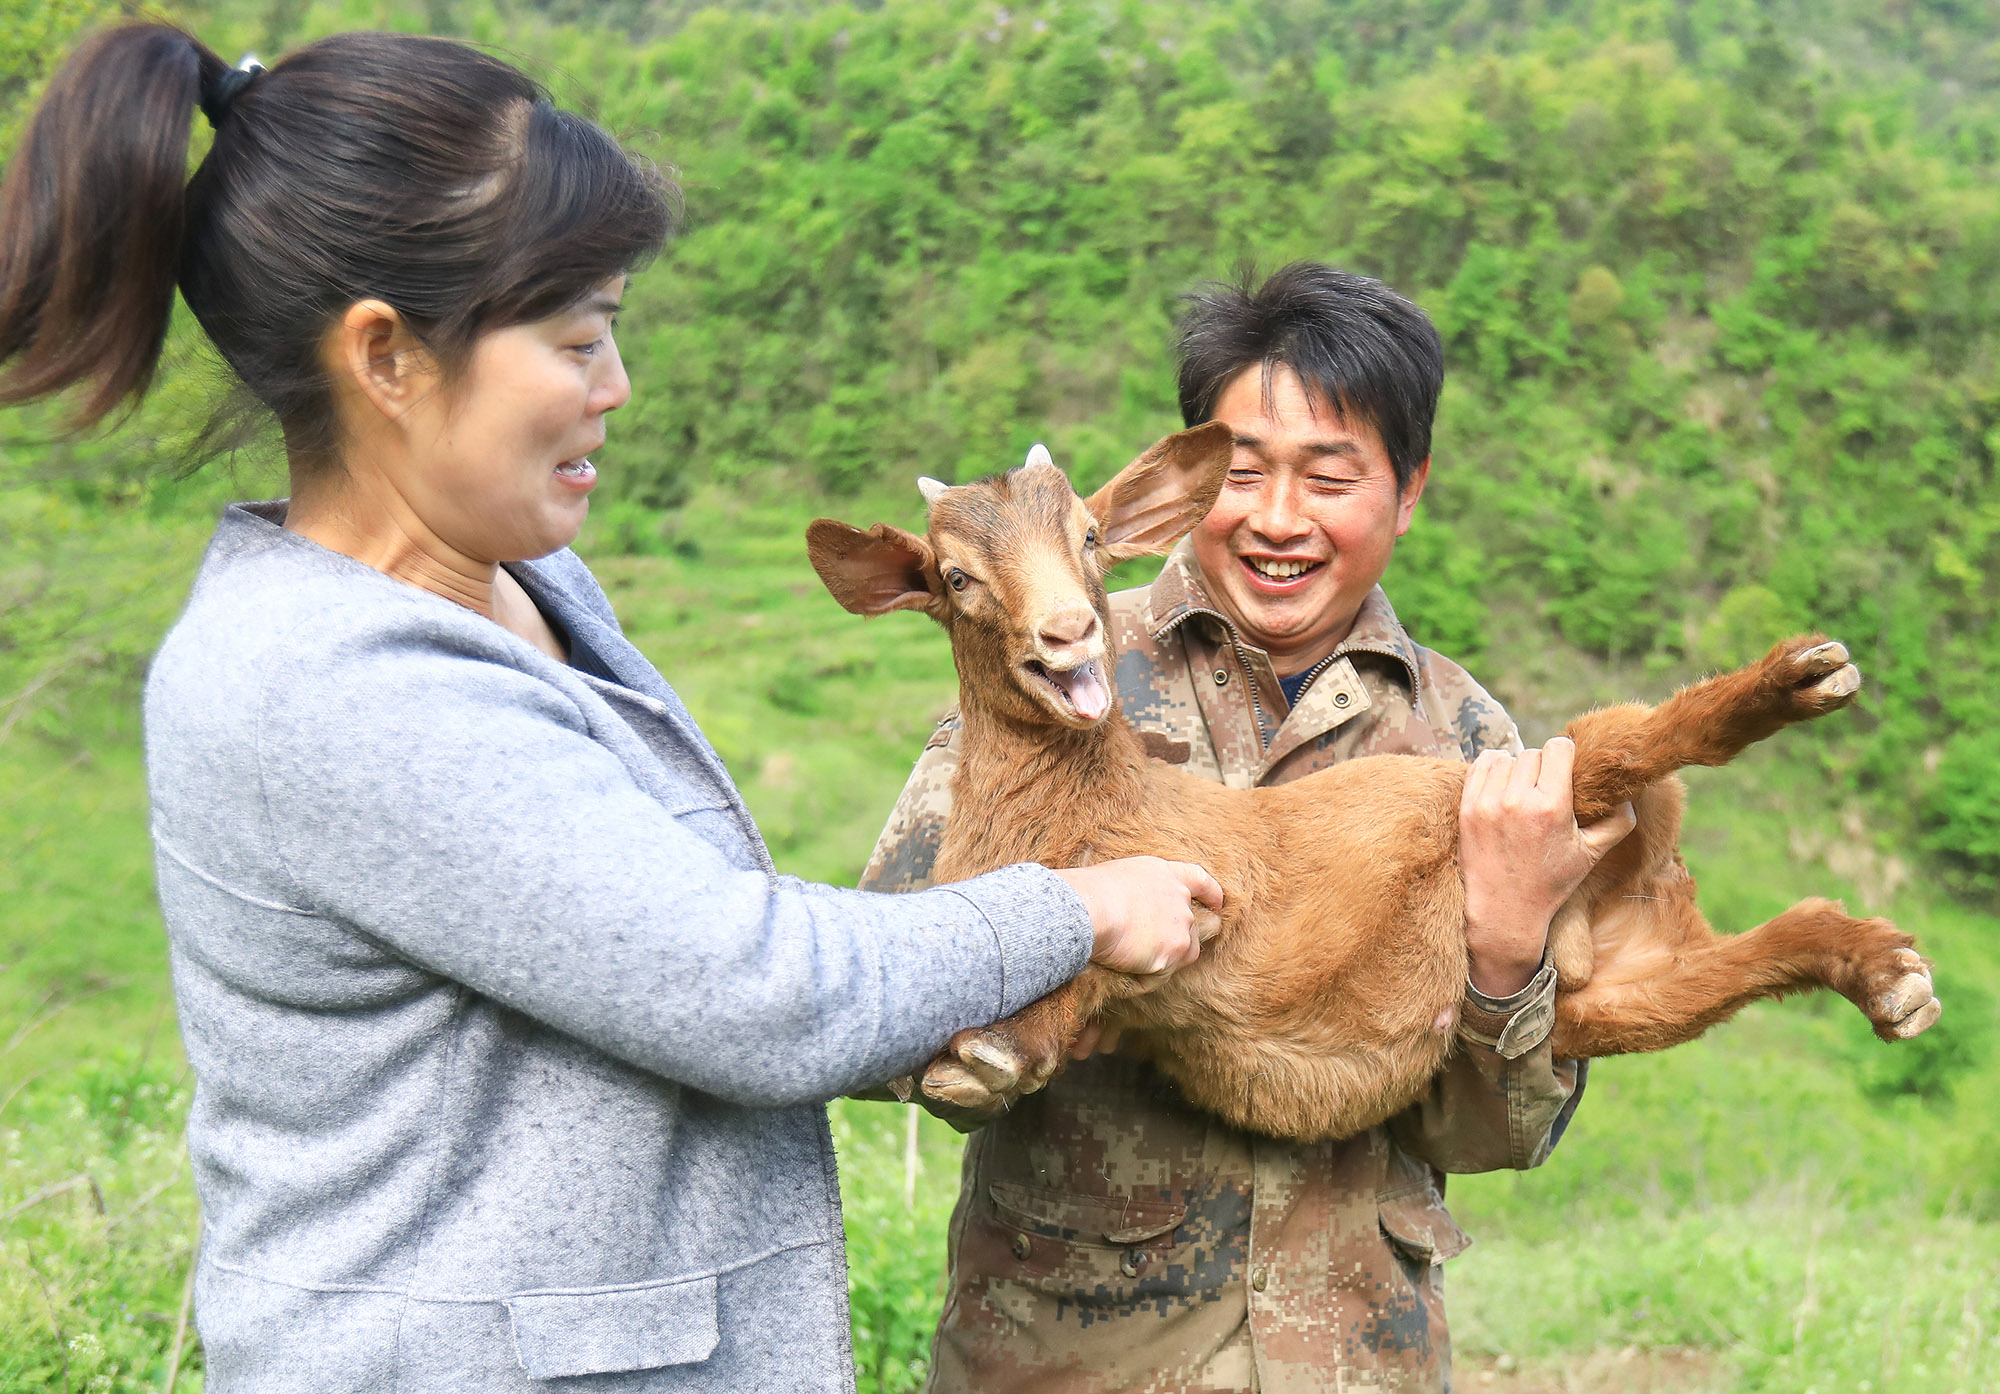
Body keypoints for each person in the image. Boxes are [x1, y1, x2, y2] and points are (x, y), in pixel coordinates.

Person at [0, 25, 1225, 1393]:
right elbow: (751, 988)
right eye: (579, 338)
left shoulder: (522, 582)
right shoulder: (340, 685)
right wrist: (1080, 907)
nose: (616, 388)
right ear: (386, 357)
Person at [861, 263, 1637, 1393]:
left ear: (1407, 490)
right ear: (1183, 480)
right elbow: (881, 999)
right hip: (1071, 1360)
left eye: (1329, 476)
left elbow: (1497, 1136)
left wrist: (1508, 952)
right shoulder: (1043, 661)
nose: (1278, 518)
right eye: (1244, 471)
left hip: (1356, 1363)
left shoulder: (1462, 732)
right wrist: (1056, 972)